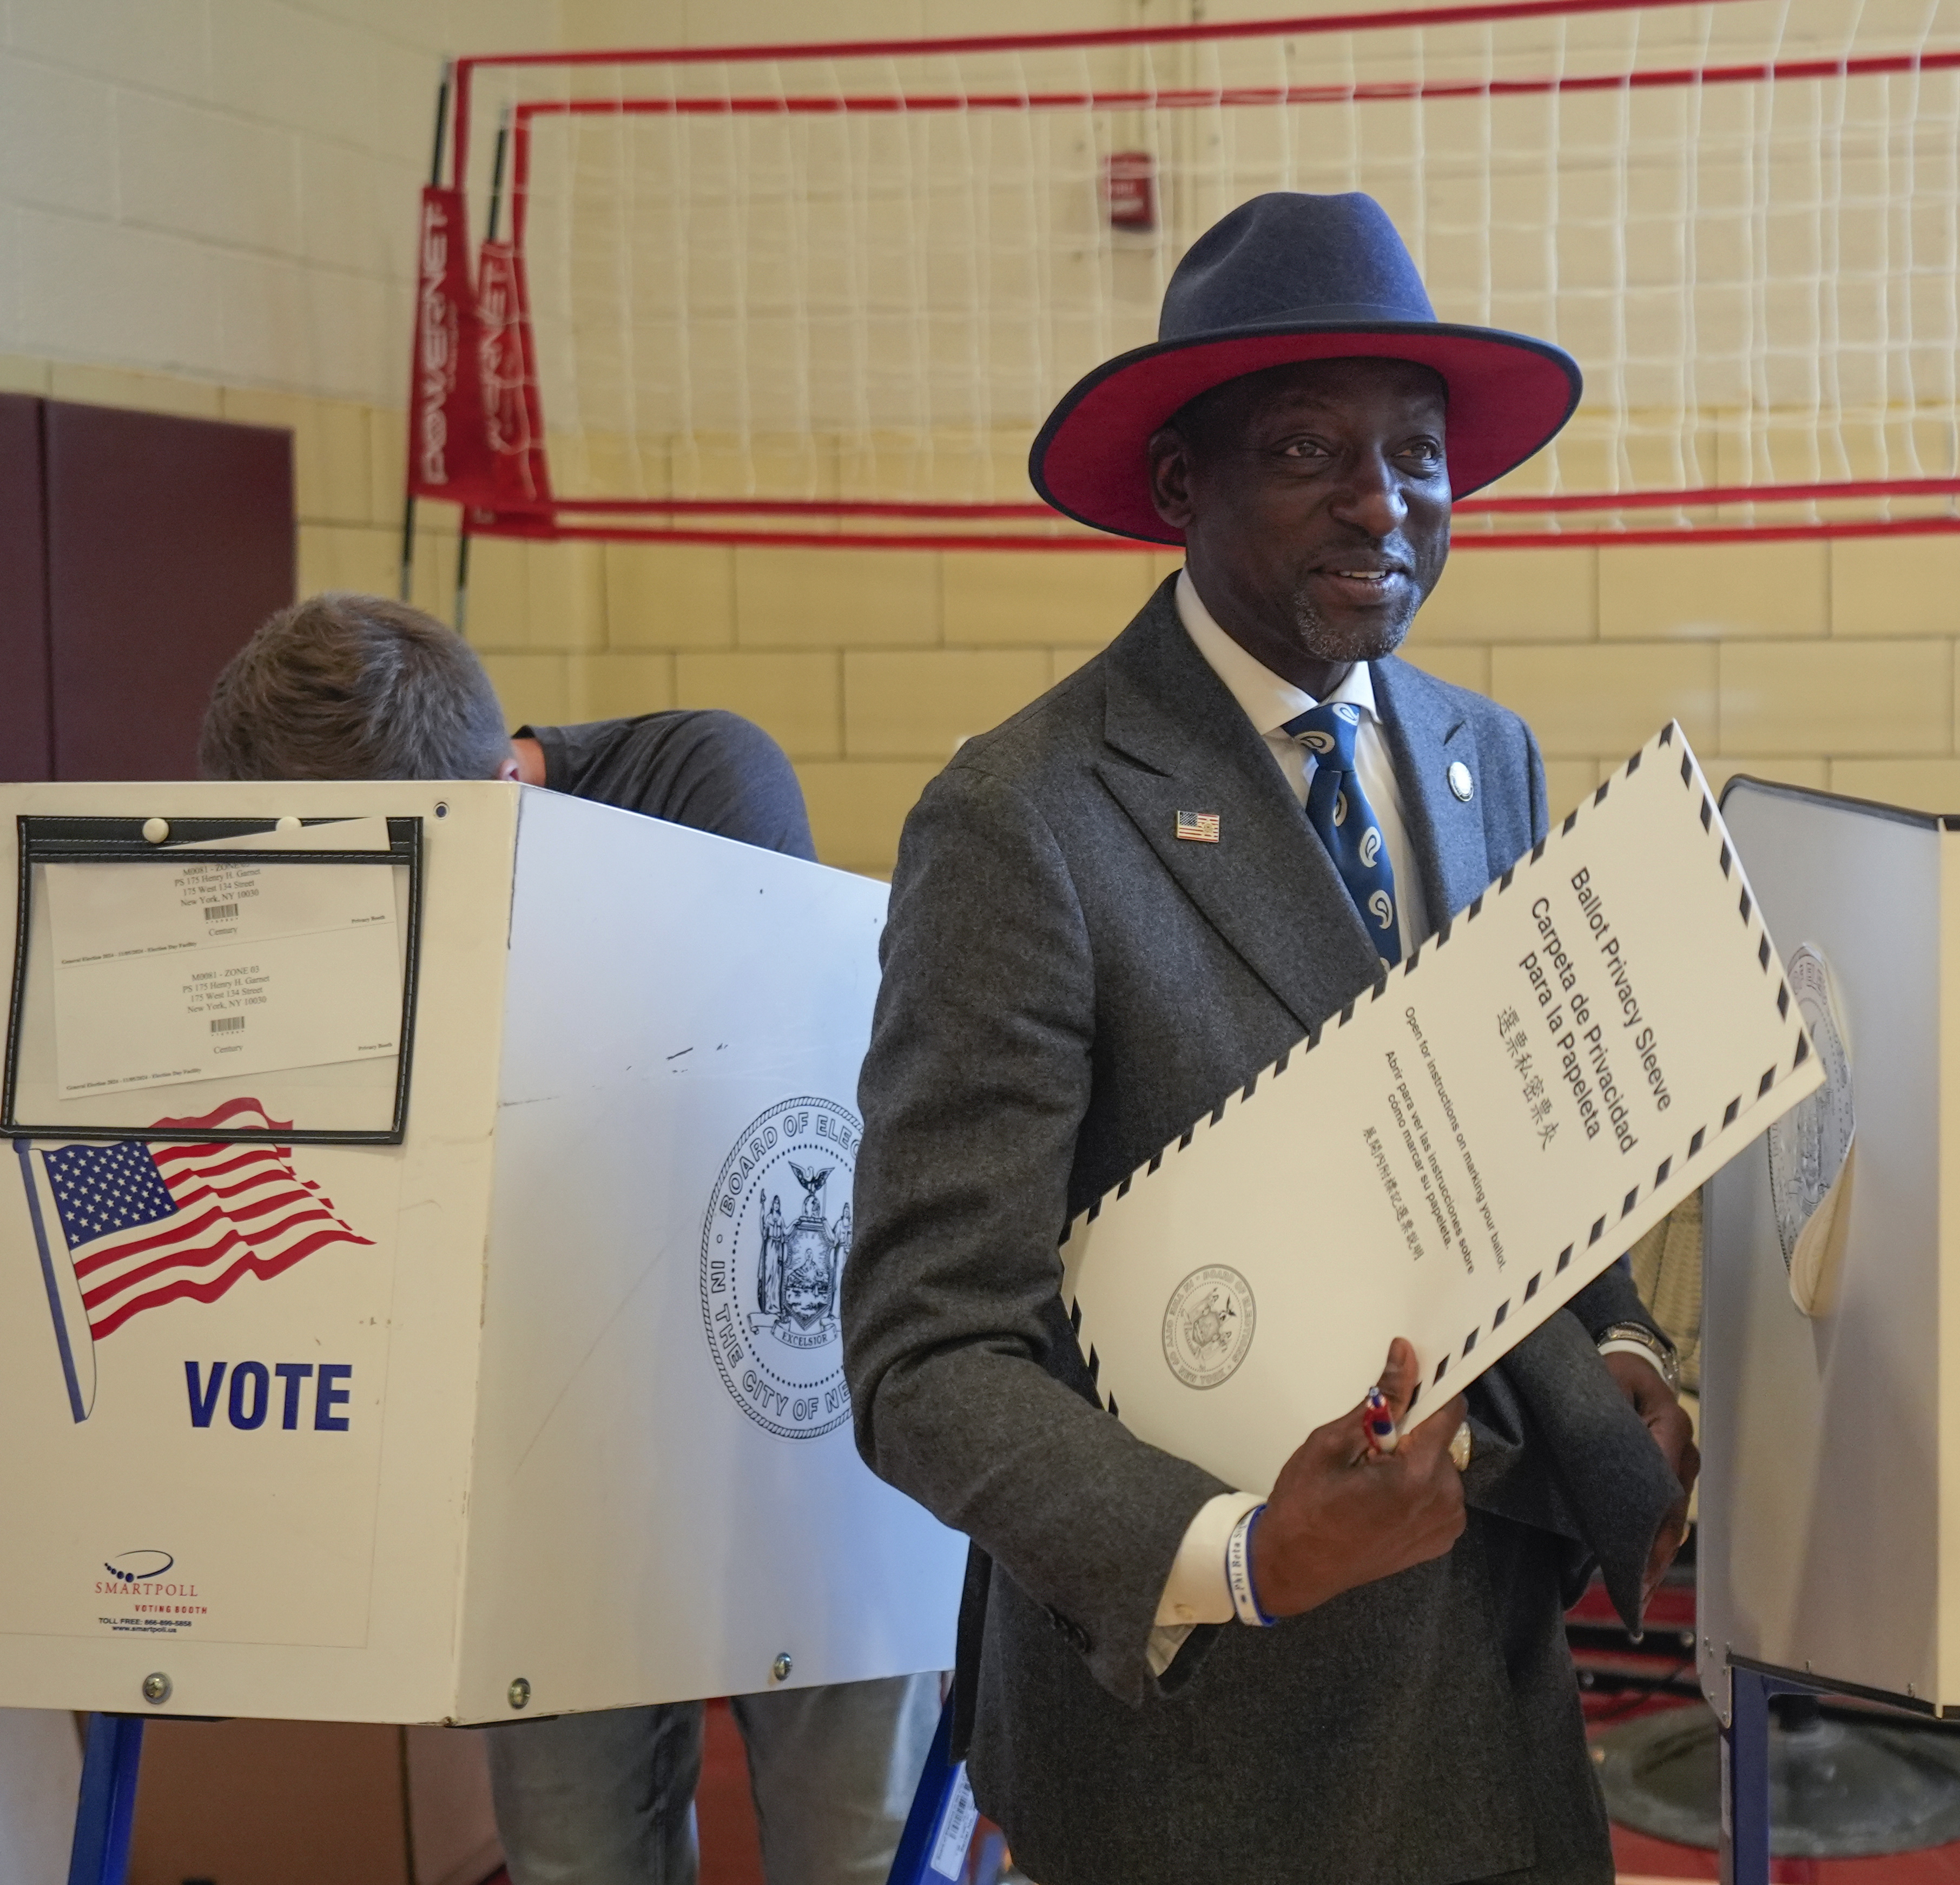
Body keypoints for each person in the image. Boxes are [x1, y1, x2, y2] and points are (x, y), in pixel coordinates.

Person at [843, 190, 1699, 1885]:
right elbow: (925, 1351)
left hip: (1492, 1690)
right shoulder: (1026, 816)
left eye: (1418, 450)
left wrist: (1631, 1360)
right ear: (1180, 485)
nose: (1383, 501)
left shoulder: (1484, 755)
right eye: (1310, 449)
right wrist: (1236, 1550)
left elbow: (1535, 1155)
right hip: (1202, 1742)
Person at [197, 590, 940, 1885]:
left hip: (795, 1426)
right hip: (553, 1453)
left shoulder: (702, 776)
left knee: (859, 1855)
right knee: (572, 1860)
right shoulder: (345, 888)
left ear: (493, 792)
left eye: (371, 870)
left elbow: (689, 1118)